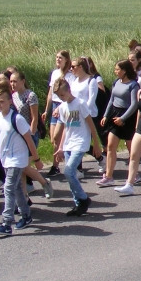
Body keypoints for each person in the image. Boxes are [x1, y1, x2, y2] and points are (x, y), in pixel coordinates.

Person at [0, 88, 44, 236]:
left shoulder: (17, 119)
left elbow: (29, 140)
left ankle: (6, 223)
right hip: (5, 159)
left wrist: (37, 159)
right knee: (18, 188)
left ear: (9, 102)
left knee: (8, 188)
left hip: (18, 159)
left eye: (2, 101)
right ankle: (26, 216)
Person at [52, 78, 102, 217]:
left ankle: (84, 199)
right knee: (71, 175)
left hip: (80, 142)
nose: (61, 98)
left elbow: (90, 124)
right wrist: (61, 147)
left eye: (62, 95)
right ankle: (78, 204)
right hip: (68, 143)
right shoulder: (62, 107)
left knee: (68, 172)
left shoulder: (80, 104)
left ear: (68, 90)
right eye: (59, 96)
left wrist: (96, 143)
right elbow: (65, 128)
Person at [97, 60, 139, 187]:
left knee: (131, 147)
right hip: (114, 115)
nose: (115, 72)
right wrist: (105, 115)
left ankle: (135, 174)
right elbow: (111, 100)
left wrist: (123, 119)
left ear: (125, 70)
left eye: (117, 69)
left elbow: (134, 105)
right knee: (110, 146)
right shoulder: (116, 82)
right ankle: (109, 176)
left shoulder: (133, 85)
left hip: (128, 117)